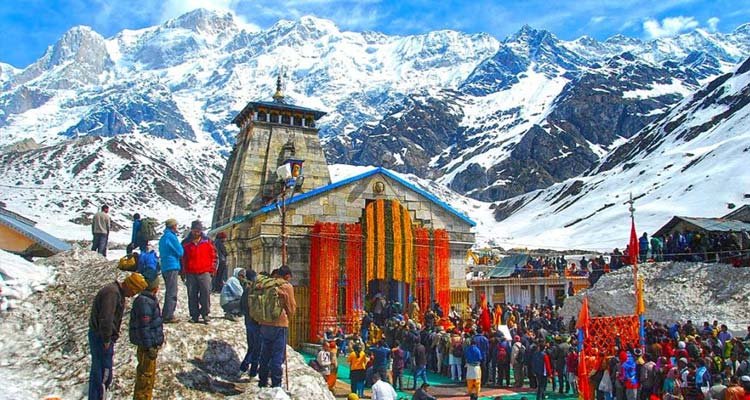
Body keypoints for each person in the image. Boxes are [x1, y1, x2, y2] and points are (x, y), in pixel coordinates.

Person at [88, 273, 147, 400]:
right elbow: (106, 318)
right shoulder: (112, 294)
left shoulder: (115, 292)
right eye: (134, 291)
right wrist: (106, 339)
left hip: (102, 336)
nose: (132, 295)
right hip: (101, 337)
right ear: (130, 286)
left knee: (100, 372)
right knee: (103, 374)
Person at [257, 265, 297, 388]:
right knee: (277, 356)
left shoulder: (266, 284)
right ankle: (276, 384)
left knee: (265, 353)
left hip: (265, 323)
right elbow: (291, 307)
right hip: (280, 324)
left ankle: (262, 381)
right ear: (286, 276)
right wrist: (289, 317)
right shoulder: (286, 286)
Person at [129, 282, 164, 400]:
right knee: (145, 378)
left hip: (150, 345)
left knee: (148, 378)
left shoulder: (148, 300)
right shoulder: (145, 303)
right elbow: (144, 327)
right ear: (155, 287)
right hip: (147, 348)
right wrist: (149, 347)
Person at [182, 220, 216, 324]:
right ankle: (194, 315)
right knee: (192, 294)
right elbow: (182, 258)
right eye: (194, 231)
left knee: (205, 293)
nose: (196, 233)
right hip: (191, 272)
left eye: (198, 231)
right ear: (191, 230)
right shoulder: (185, 243)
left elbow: (215, 256)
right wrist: (183, 271)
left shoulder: (208, 241)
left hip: (205, 271)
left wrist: (213, 269)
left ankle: (205, 313)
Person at [158, 218, 183, 324]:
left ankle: (166, 313)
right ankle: (168, 315)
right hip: (172, 264)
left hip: (164, 265)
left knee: (169, 290)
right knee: (172, 291)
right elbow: (180, 251)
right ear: (173, 226)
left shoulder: (163, 237)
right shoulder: (172, 237)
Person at [239, 269, 261, 377]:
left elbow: (242, 306)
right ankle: (247, 368)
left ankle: (246, 368)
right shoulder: (257, 290)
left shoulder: (247, 289)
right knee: (257, 348)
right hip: (257, 323)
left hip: (248, 322)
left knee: (252, 347)